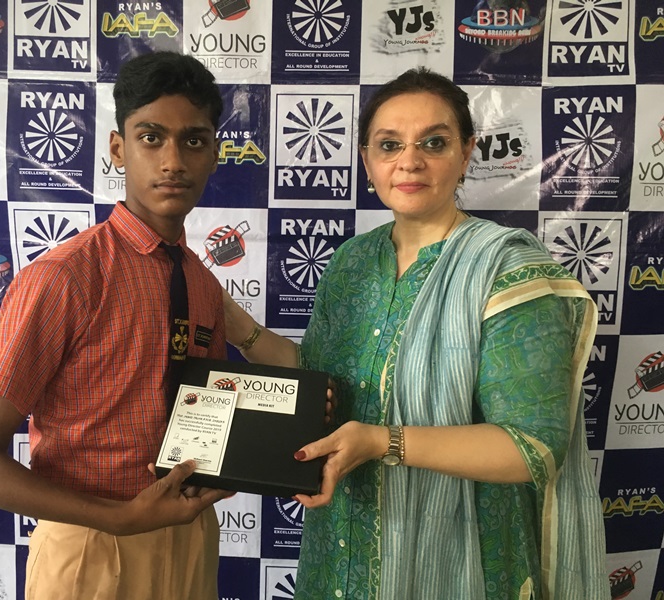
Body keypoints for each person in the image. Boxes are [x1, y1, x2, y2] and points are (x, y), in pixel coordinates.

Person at [223, 68, 610, 599]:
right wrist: (237, 325)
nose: (409, 161)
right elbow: (316, 383)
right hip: (340, 551)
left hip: (456, 560)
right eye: (389, 145)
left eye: (433, 142)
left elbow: (531, 447)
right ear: (366, 160)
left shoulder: (506, 267)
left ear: (467, 153)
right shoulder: (352, 262)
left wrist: (382, 442)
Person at [0, 52, 231, 599]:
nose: (173, 160)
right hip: (92, 546)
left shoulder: (200, 282)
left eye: (193, 141)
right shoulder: (65, 277)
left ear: (214, 154)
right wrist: (118, 518)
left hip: (190, 537)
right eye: (151, 138)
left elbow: (208, 413)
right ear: (119, 149)